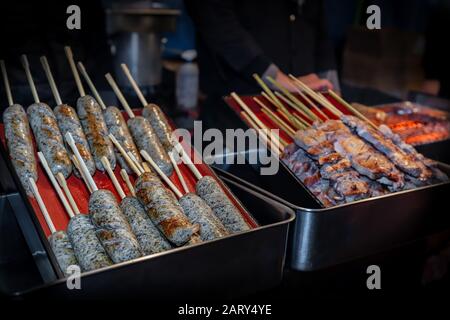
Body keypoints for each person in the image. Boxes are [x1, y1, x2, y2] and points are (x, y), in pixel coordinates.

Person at [185, 0, 337, 128]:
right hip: (238, 104)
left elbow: (319, 29)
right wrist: (278, 80)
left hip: (302, 107)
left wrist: (331, 88)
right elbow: (215, 19)